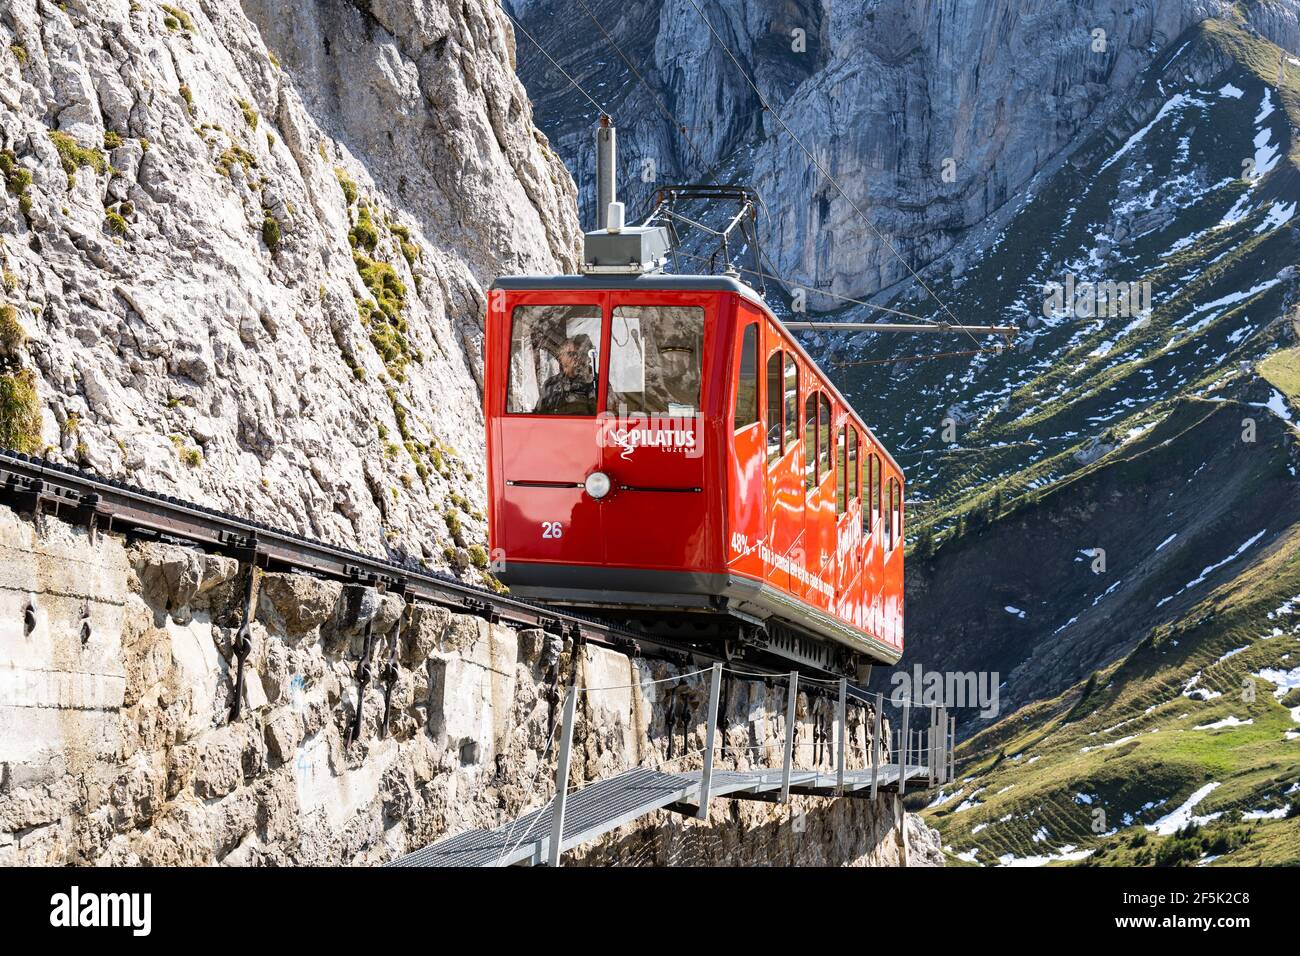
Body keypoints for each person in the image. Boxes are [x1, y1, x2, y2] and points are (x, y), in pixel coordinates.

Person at [536, 334, 596, 414]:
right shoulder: (551, 384)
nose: (575, 357)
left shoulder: (595, 382)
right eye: (570, 354)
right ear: (561, 356)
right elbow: (538, 413)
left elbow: (604, 414)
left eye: (579, 354)